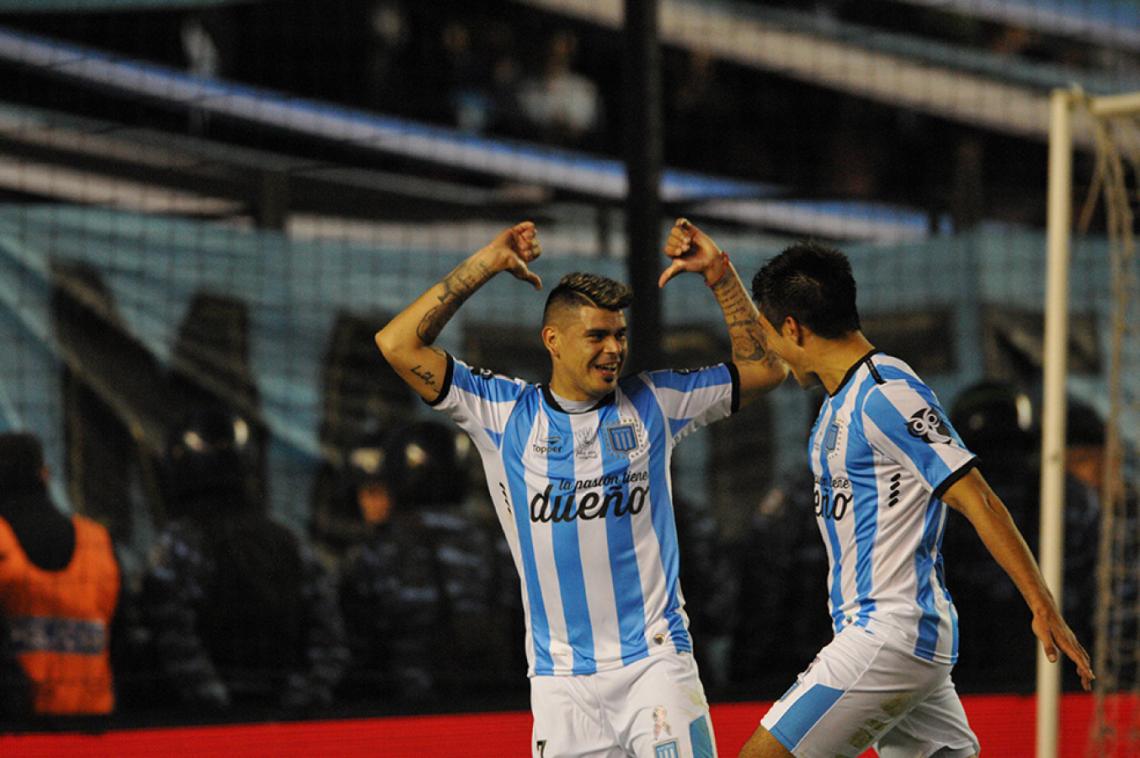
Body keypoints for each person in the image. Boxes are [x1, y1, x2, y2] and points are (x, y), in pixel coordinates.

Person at [375, 220, 787, 757]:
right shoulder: (502, 413)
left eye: (619, 334)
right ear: (553, 340)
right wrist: (488, 263)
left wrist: (718, 272)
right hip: (560, 684)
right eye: (597, 335)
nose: (614, 349)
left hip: (654, 666)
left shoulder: (654, 402)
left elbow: (766, 369)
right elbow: (396, 343)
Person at [716, 232, 1095, 758]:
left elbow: (976, 497)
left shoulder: (887, 392)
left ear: (793, 328)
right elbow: (761, 360)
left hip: (888, 633)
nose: (771, 350)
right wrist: (718, 274)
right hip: (893, 636)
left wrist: (1041, 603)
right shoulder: (839, 400)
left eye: (771, 333)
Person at [141, 404, 347, 715]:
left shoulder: (176, 546)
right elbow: (330, 641)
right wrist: (298, 702)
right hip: (287, 721)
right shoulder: (288, 542)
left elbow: (170, 640)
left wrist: (220, 709)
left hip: (208, 728)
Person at [338, 420, 522, 706]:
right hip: (493, 713)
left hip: (399, 718)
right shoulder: (498, 543)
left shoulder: (376, 552)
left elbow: (355, 653)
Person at [0, 432, 120, 718]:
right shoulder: (97, 540)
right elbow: (121, 636)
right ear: (44, 474)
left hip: (18, 728)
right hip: (95, 724)